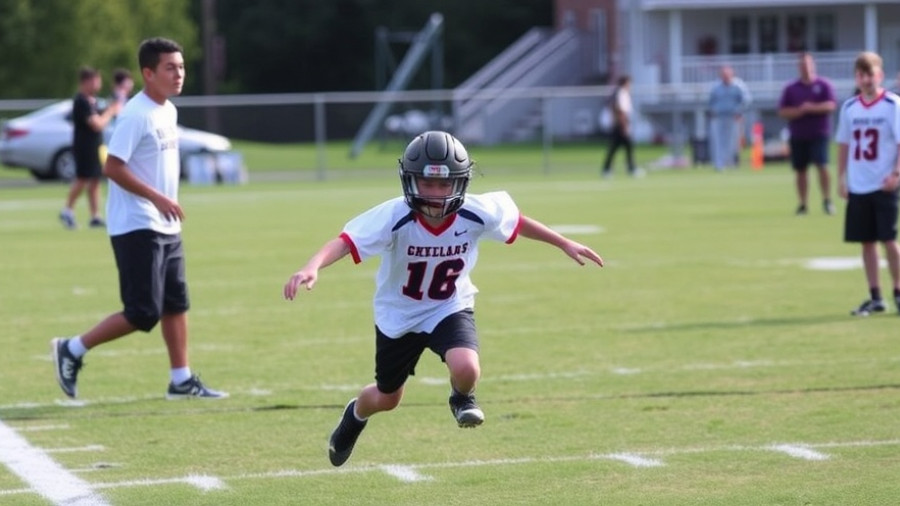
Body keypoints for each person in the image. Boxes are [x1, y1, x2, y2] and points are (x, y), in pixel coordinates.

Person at [283, 131, 604, 467]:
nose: (435, 194)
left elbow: (518, 222)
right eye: (427, 184)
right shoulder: (395, 216)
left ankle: (462, 397)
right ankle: (355, 416)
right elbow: (346, 242)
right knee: (388, 398)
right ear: (410, 181)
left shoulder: (475, 211)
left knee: (467, 367)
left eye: (443, 184)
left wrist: (563, 242)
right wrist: (312, 266)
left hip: (449, 305)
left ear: (460, 183)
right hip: (399, 315)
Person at [51, 38, 228, 400]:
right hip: (137, 224)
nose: (179, 74)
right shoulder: (136, 113)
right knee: (143, 312)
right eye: (170, 67)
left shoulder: (168, 110)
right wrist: (158, 197)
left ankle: (181, 379)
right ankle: (72, 348)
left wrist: (166, 203)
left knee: (176, 303)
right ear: (148, 73)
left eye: (181, 67)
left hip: (166, 225)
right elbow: (112, 167)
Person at [835, 51, 900, 316]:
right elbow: (843, 143)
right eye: (861, 75)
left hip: (883, 183)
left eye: (870, 74)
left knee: (889, 239)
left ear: (879, 75)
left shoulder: (893, 105)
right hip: (859, 183)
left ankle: (898, 290)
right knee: (866, 241)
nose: (866, 80)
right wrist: (841, 176)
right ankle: (875, 296)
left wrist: (896, 173)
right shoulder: (850, 107)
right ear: (856, 78)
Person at [59, 67, 121, 230]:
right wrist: (110, 111)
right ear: (86, 82)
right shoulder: (81, 101)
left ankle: (95, 215)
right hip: (84, 147)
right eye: (95, 80)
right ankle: (67, 210)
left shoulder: (92, 101)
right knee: (82, 179)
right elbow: (97, 124)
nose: (98, 83)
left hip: (95, 146)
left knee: (94, 180)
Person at [778, 52, 837, 216]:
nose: (806, 67)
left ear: (813, 65)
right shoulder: (791, 88)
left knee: (822, 166)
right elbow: (782, 111)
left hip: (819, 133)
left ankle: (827, 200)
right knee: (800, 170)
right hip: (798, 134)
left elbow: (831, 105)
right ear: (799, 67)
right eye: (803, 64)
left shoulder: (823, 85)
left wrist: (811, 108)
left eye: (808, 64)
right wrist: (798, 111)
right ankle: (803, 204)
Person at [708, 65, 752, 171]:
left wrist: (740, 112)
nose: (725, 77)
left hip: (733, 117)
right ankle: (719, 164)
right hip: (719, 117)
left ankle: (730, 162)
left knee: (732, 141)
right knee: (718, 141)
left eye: (727, 74)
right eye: (723, 75)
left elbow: (746, 100)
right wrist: (712, 111)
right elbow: (710, 101)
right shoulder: (716, 86)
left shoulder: (738, 85)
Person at [601, 75, 642, 178]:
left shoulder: (618, 93)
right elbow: (621, 112)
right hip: (620, 125)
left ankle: (608, 169)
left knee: (619, 147)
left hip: (618, 124)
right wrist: (624, 126)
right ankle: (629, 168)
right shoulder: (621, 93)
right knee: (623, 147)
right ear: (625, 83)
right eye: (629, 83)